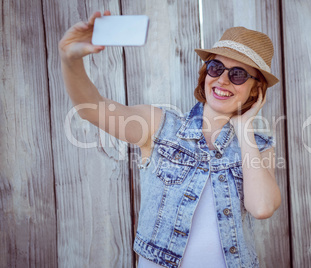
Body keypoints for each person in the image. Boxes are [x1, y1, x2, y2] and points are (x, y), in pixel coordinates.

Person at [59, 10, 281, 268]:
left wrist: (244, 127)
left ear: (256, 88)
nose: (222, 79)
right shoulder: (160, 126)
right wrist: (69, 59)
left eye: (238, 74)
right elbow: (91, 109)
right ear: (205, 72)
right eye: (216, 67)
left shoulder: (260, 147)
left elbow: (262, 207)